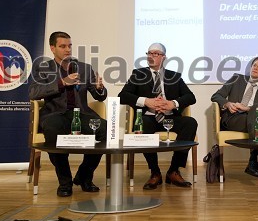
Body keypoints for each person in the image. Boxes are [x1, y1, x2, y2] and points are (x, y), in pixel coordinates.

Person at [29, 31, 107, 197]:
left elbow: (99, 96)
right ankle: (65, 182)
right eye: (63, 46)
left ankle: (84, 176)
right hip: (55, 114)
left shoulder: (85, 68)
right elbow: (34, 92)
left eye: (70, 45)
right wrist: (63, 82)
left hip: (82, 113)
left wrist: (100, 88)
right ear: (52, 48)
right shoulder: (44, 68)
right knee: (52, 130)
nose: (67, 49)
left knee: (105, 130)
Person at [118, 43, 197, 190]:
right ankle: (155, 172)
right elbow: (122, 96)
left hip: (169, 118)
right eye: (149, 53)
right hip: (149, 117)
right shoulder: (138, 74)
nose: (151, 56)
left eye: (155, 54)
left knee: (190, 123)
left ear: (163, 57)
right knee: (142, 124)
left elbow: (191, 97)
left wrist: (173, 104)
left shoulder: (174, 76)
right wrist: (146, 101)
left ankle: (173, 170)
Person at [211, 57, 258, 191]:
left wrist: (248, 108)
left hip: (254, 119)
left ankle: (256, 163)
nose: (255, 68)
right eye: (254, 65)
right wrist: (228, 104)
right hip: (234, 118)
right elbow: (216, 96)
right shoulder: (237, 79)